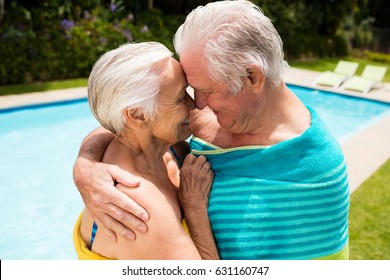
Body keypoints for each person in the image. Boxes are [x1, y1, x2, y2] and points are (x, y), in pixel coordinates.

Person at [73, 0, 350, 260]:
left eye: (205, 90)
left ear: (252, 76)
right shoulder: (133, 203)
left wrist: (193, 207)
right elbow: (125, 124)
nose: (197, 104)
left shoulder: (315, 167)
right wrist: (85, 165)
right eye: (188, 92)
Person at [73, 42, 219, 259]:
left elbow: (109, 128)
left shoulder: (169, 150)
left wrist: (85, 160)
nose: (194, 104)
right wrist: (194, 207)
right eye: (180, 97)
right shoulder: (137, 210)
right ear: (138, 116)